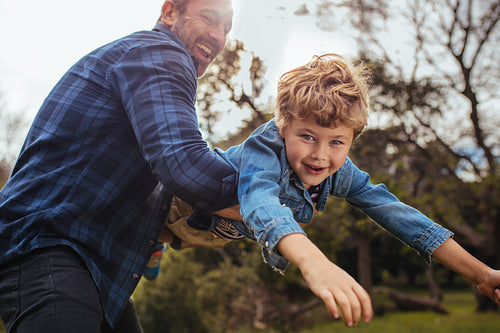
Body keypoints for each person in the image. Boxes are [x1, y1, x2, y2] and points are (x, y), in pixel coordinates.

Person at [150, 53, 500, 327]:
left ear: (351, 140)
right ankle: (153, 244)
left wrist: (482, 274)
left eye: (336, 142)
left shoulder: (338, 172)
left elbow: (397, 215)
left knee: (175, 238)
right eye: (307, 137)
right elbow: (259, 201)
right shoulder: (264, 149)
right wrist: (313, 261)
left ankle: (161, 244)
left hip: (204, 231)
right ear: (284, 125)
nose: (320, 155)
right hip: (168, 202)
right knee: (157, 227)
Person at [0, 0, 240, 332]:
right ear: (170, 12)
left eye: (226, 28)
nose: (218, 36)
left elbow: (168, 184)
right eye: (210, 19)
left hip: (88, 267)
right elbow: (186, 166)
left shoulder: (148, 66)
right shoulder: (162, 53)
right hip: (49, 249)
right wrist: (271, 204)